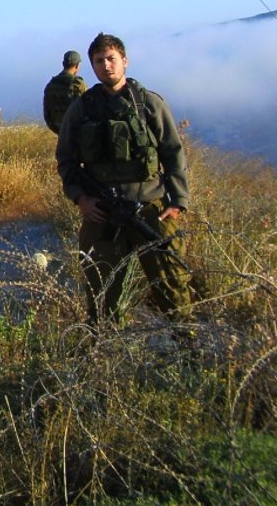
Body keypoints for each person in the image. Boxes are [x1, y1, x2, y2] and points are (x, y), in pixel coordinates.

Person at [56, 33, 194, 328]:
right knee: (101, 292)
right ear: (91, 66)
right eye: (99, 61)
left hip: (150, 208)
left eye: (111, 59)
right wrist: (81, 198)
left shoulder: (149, 103)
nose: (106, 66)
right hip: (103, 212)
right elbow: (66, 158)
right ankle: (104, 351)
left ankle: (188, 348)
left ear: (124, 62)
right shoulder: (82, 108)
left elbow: (172, 151)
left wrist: (178, 201)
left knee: (172, 286)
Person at [43, 50, 87, 134]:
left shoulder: (51, 85)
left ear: (63, 64)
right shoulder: (78, 84)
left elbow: (47, 114)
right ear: (77, 65)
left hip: (59, 131)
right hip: (77, 132)